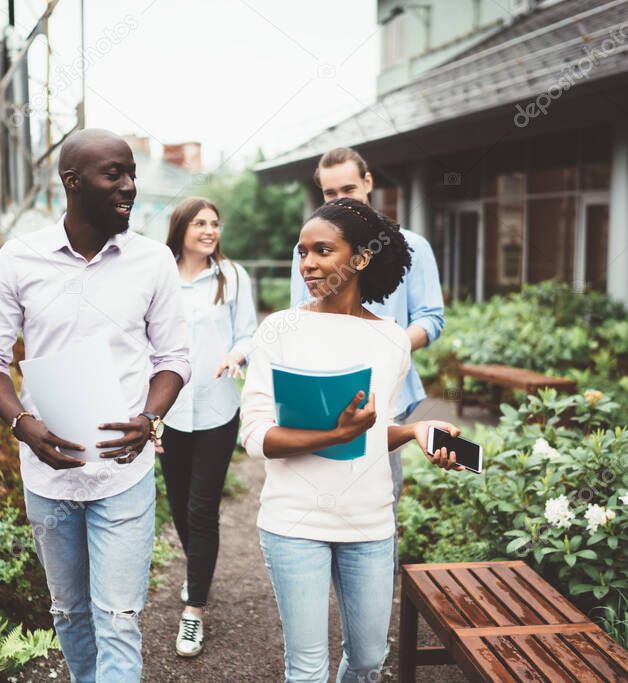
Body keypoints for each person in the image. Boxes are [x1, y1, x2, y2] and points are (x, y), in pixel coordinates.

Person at [0, 129, 190, 683]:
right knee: (70, 614)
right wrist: (23, 425)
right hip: (49, 478)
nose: (131, 187)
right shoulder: (19, 259)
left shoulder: (154, 261)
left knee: (117, 618)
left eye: (132, 173)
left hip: (124, 471)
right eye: (114, 174)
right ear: (73, 183)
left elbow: (174, 358)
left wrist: (150, 418)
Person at [241, 197, 464, 682]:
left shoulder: (391, 340)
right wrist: (330, 433)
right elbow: (254, 435)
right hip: (294, 520)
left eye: (323, 250)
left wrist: (416, 431)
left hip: (368, 523)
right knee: (306, 669)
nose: (308, 264)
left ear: (361, 258)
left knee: (366, 660)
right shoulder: (279, 330)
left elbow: (369, 432)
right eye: (302, 252)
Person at [289, 148, 445, 563]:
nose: (340, 200)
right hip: (327, 387)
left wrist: (385, 348)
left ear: (369, 183)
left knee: (379, 493)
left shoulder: (411, 247)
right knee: (321, 483)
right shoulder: (308, 251)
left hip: (389, 391)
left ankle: (375, 583)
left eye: (349, 188)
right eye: (329, 192)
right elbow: (298, 318)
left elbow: (431, 318)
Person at [160, 197, 257, 657]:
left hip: (218, 408)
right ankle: (198, 570)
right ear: (180, 228)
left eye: (215, 223)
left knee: (202, 508)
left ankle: (194, 609)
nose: (209, 230)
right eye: (199, 223)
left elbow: (248, 333)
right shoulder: (158, 276)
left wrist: (237, 355)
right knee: (179, 506)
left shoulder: (233, 277)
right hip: (170, 410)